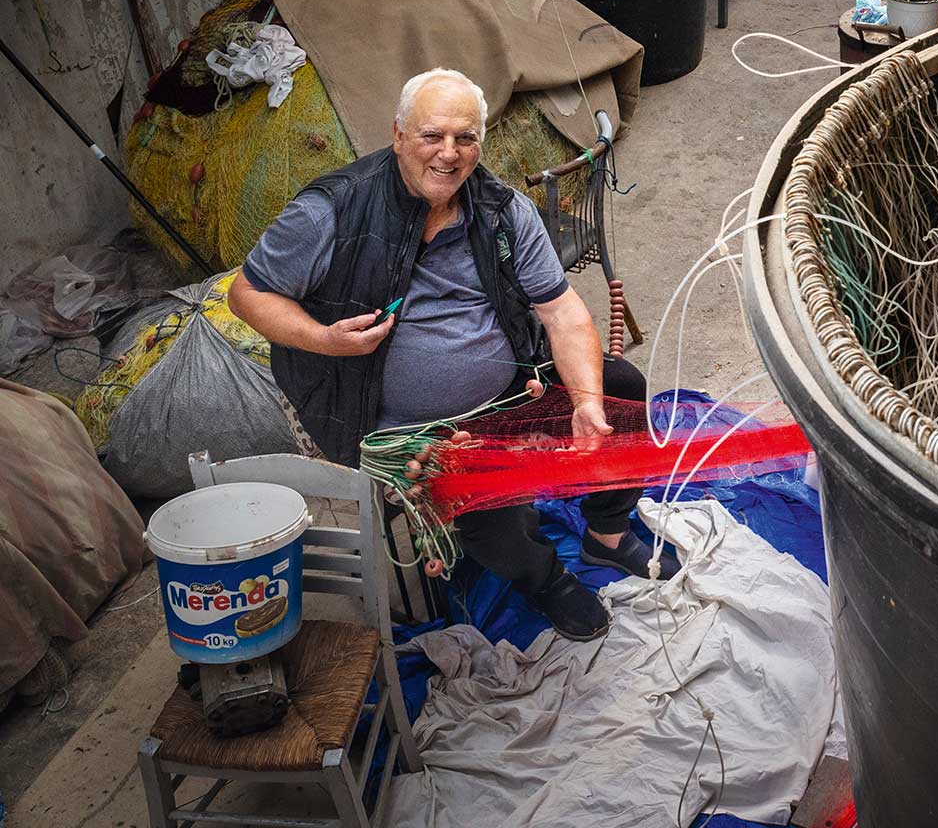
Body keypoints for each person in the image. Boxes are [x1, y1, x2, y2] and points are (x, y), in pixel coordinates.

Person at [229, 67, 665, 641]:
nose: (449, 154)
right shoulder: (333, 209)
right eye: (432, 135)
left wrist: (585, 400)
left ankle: (606, 535)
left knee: (621, 390)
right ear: (398, 135)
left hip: (512, 389)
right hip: (402, 425)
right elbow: (246, 293)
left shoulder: (503, 209)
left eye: (466, 138)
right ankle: (547, 579)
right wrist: (326, 339)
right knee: (481, 502)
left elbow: (561, 312)